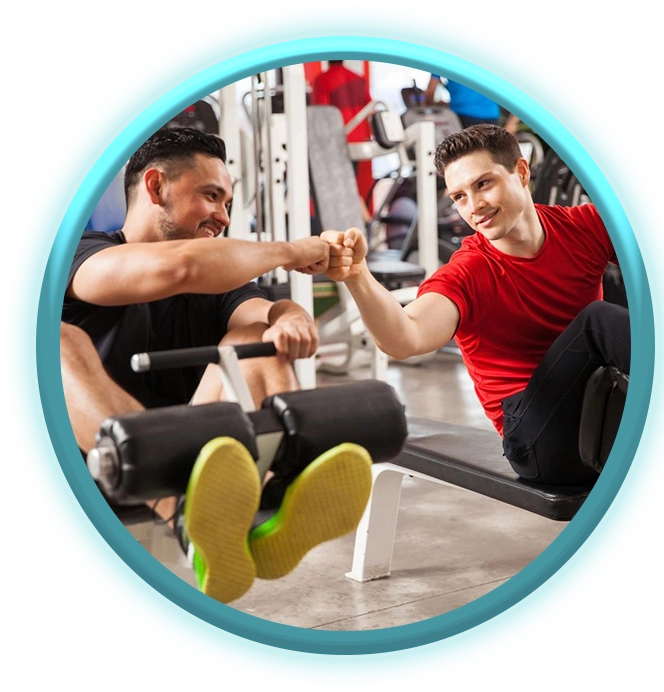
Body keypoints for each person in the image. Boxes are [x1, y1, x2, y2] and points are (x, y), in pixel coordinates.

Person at [61, 126, 373, 603]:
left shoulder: (219, 279)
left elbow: (258, 314)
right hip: (92, 462)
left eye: (227, 204)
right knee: (53, 341)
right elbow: (178, 267)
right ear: (155, 186)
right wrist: (293, 252)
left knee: (256, 339)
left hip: (209, 470)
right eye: (211, 197)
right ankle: (177, 505)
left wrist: (286, 316)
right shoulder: (80, 254)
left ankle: (271, 500)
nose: (222, 217)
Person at [320, 124, 630, 486]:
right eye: (459, 196)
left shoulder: (584, 226)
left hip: (602, 414)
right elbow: (405, 338)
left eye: (483, 184)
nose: (474, 206)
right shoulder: (469, 273)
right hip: (537, 441)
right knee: (597, 322)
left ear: (522, 171)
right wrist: (358, 275)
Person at [310, 60, 374, 223]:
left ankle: (368, 224)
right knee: (351, 186)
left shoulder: (322, 80)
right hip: (359, 139)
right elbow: (370, 108)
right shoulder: (358, 78)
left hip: (338, 142)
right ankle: (368, 223)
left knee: (343, 189)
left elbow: (320, 114)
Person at [424, 74, 520, 134]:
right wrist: (511, 124)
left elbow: (430, 93)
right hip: (492, 117)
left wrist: (434, 105)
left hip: (462, 117)